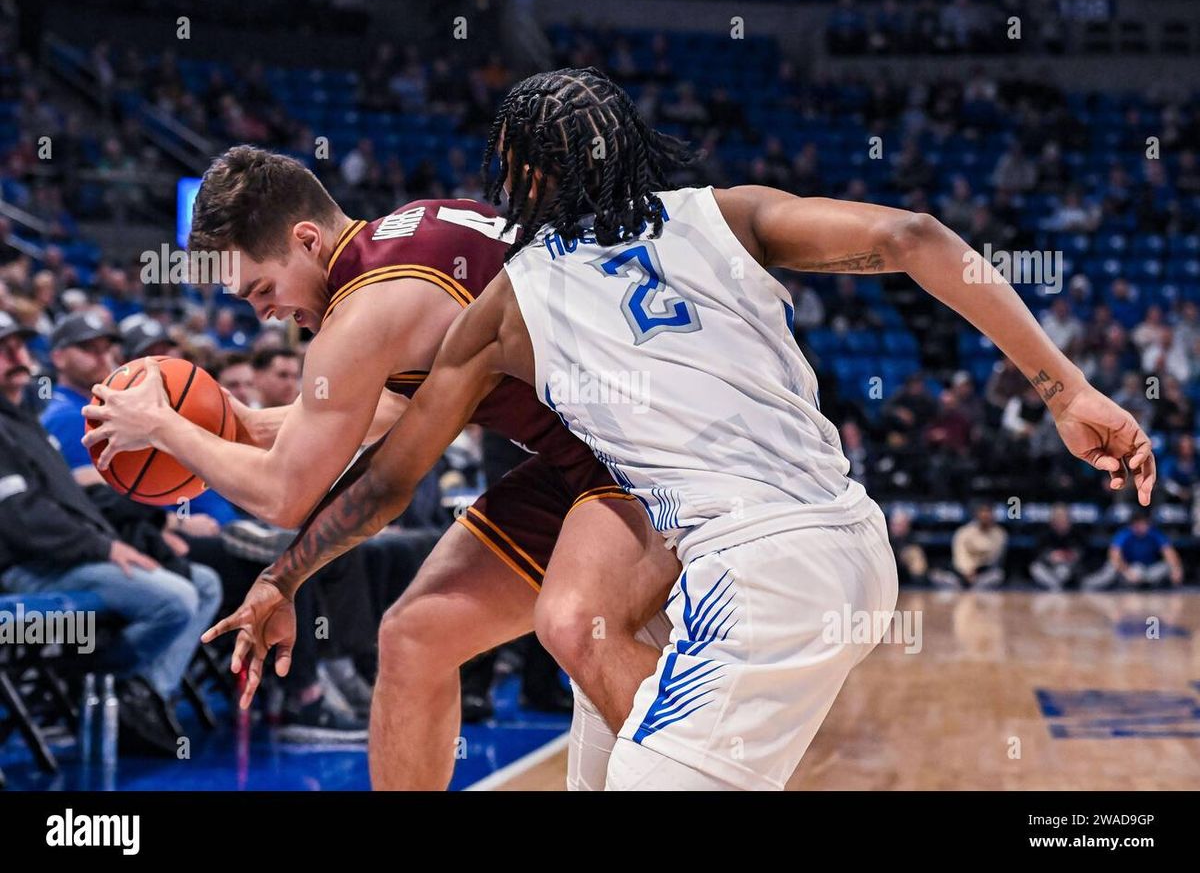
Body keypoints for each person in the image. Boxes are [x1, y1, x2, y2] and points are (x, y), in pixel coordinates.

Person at [203, 68, 1155, 790]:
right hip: (850, 540)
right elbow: (914, 236)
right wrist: (1065, 390)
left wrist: (283, 576)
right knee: (589, 684)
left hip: (754, 575)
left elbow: (381, 486)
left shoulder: (511, 304)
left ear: (520, 176)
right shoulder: (726, 216)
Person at [80, 146, 678, 789]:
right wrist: (251, 427)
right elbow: (399, 403)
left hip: (645, 455)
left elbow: (283, 496)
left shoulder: (363, 312)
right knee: (415, 635)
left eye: (261, 288)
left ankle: (721, 764)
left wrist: (162, 426)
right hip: (592, 448)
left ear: (305, 239)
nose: (262, 312)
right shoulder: (415, 230)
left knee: (586, 636)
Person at [0, 311, 220, 755]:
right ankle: (91, 678)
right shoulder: (43, 417)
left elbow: (77, 502)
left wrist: (131, 540)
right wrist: (104, 546)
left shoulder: (23, 418)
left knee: (205, 583)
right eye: (4, 351)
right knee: (173, 599)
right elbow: (21, 519)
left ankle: (142, 691)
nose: (17, 358)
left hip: (73, 556)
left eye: (20, 347)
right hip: (28, 567)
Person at [1084, 512, 1184, 589]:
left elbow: (1169, 552)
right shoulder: (1125, 534)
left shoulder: (1154, 534)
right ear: (1133, 525)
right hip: (1128, 568)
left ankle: (1145, 584)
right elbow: (1114, 555)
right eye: (1140, 524)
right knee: (1112, 568)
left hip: (1148, 569)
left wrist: (1176, 569)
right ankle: (1087, 584)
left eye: (1145, 523)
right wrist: (1127, 572)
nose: (1144, 526)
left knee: (1165, 567)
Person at [1029, 504, 1087, 591]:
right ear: (1052, 520)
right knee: (1035, 568)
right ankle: (1054, 586)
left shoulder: (1077, 533)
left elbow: (1081, 552)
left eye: (1063, 518)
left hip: (1067, 566)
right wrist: (1050, 556)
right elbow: (1038, 553)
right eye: (1057, 518)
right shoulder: (1044, 534)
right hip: (1048, 566)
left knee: (1063, 570)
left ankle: (1056, 586)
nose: (1060, 521)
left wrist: (1066, 556)